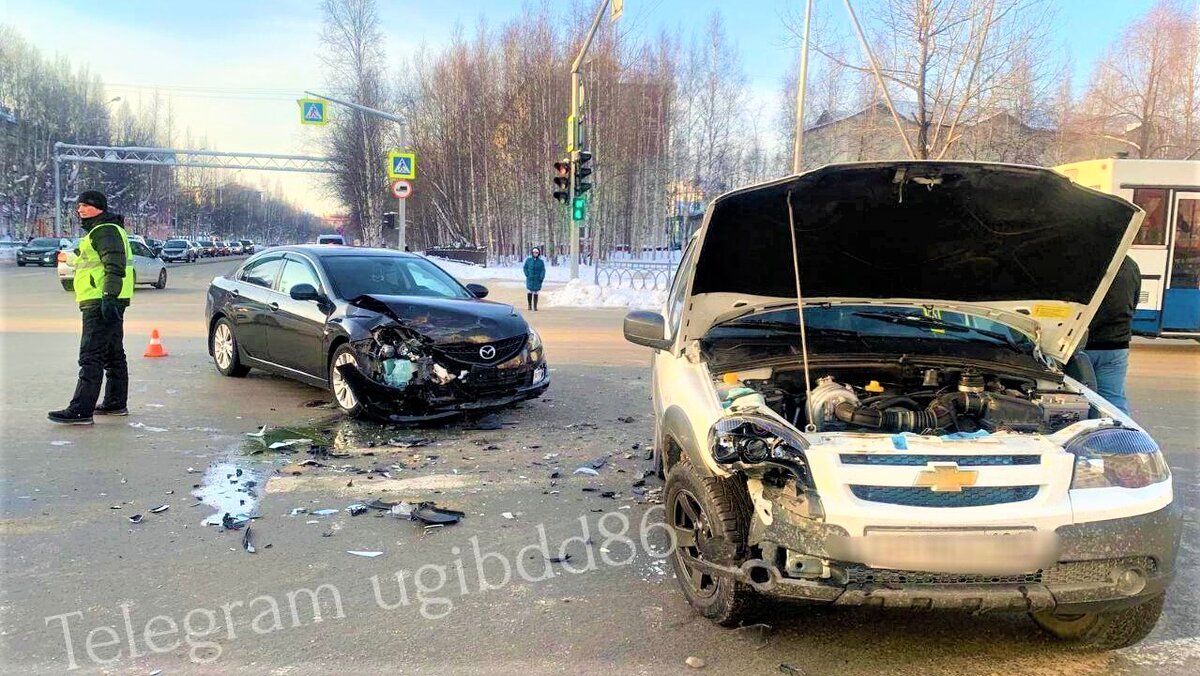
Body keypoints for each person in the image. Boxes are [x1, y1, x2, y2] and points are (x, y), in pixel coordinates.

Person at [48, 191, 134, 425]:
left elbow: (114, 265)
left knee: (91, 355)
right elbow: (91, 259)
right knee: (113, 353)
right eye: (79, 206)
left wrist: (108, 295)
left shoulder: (104, 229)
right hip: (108, 298)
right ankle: (115, 403)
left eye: (85, 205)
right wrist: (68, 257)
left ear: (98, 208)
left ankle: (80, 411)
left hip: (100, 300)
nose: (80, 209)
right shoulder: (102, 230)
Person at [1079, 255, 1141, 414]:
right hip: (1116, 345)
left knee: (1080, 398)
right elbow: (1134, 303)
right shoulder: (1131, 265)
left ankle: (1090, 435)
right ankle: (1120, 436)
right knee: (1113, 401)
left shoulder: (1085, 261)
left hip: (1082, 344)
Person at [523, 247, 546, 311]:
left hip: (537, 279)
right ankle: (529, 305)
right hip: (530, 278)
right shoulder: (528, 260)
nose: (535, 254)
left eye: (536, 252)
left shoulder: (541, 262)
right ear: (532, 253)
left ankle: (535, 306)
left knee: (536, 292)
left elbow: (543, 270)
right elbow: (525, 268)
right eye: (534, 252)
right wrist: (527, 274)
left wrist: (541, 277)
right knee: (529, 291)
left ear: (538, 253)